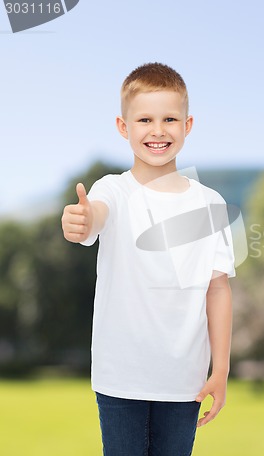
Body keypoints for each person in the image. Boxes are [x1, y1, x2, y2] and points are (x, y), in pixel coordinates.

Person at [61, 62, 235, 456]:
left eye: (169, 118)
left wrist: (221, 369)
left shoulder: (211, 203)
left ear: (188, 124)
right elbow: (94, 216)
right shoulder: (114, 190)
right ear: (124, 128)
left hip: (185, 381)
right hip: (119, 377)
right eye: (145, 119)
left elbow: (218, 289)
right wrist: (81, 220)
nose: (158, 130)